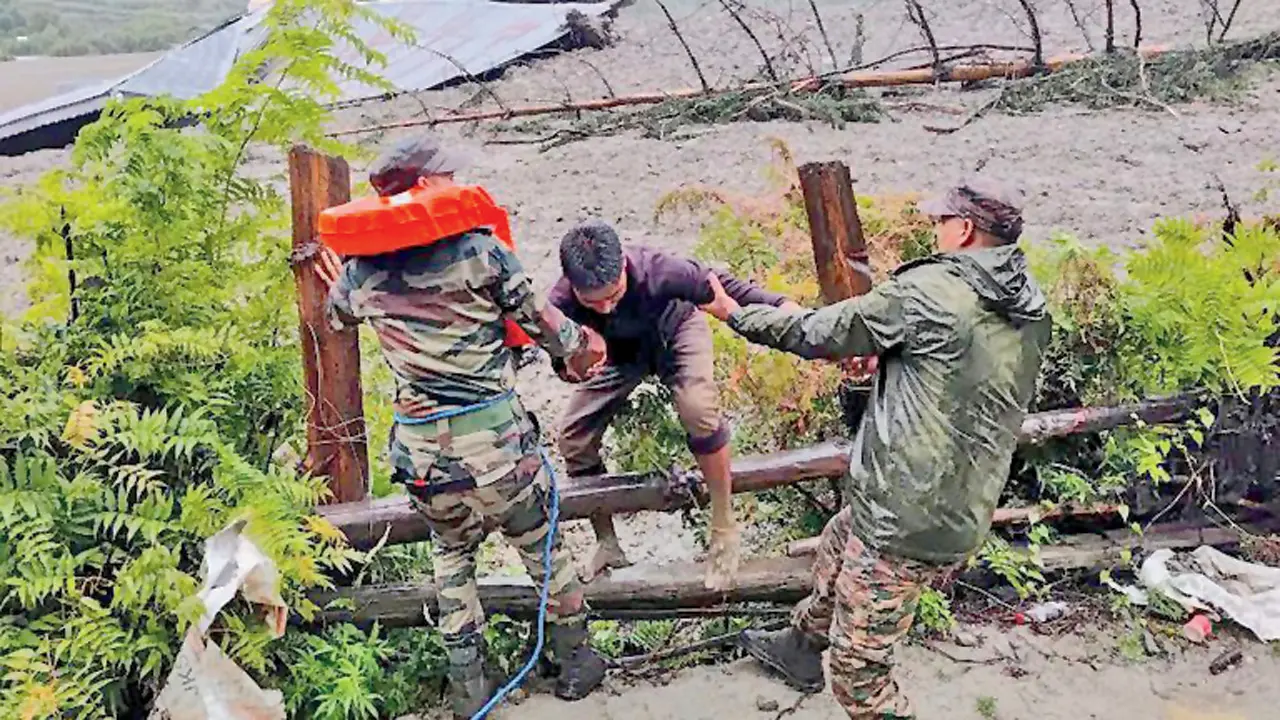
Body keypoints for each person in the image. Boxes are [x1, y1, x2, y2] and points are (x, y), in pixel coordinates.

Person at [700, 179, 1052, 718]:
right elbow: (959, 367)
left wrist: (733, 313)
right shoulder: (1028, 302)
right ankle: (799, 647)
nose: (934, 231)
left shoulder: (928, 290)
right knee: (841, 540)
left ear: (963, 230)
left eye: (940, 222)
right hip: (962, 501)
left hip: (906, 516)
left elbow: (817, 333)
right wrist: (892, 353)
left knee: (859, 674)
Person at [315, 135, 609, 718]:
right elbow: (549, 330)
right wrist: (586, 346)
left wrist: (341, 279)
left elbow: (336, 318)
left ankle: (469, 685)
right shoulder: (481, 251)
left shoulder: (361, 271)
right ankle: (574, 662)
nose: (457, 184)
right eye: (448, 175)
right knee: (542, 547)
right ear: (427, 184)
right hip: (498, 449)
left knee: (451, 554)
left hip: (424, 457)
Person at [548, 219, 801, 589]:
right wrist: (578, 363)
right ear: (572, 285)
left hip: (676, 333)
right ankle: (606, 542)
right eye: (592, 302)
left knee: (697, 408)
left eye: (613, 295)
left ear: (623, 267)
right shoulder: (558, 306)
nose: (604, 308)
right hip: (616, 357)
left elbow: (723, 289)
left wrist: (781, 306)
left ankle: (723, 526)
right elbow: (562, 367)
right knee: (573, 437)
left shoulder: (660, 271)